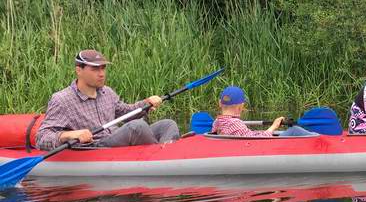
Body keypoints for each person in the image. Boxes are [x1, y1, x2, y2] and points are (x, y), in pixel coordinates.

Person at [35, 49, 180, 150]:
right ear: (79, 70)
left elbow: (126, 113)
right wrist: (71, 134)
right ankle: (159, 156)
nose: (101, 74)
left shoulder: (107, 92)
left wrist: (146, 103)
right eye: (95, 69)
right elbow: (42, 138)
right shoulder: (62, 100)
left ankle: (167, 153)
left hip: (115, 138)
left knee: (167, 124)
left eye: (103, 68)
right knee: (137, 127)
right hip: (96, 147)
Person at [211, 86, 313, 137]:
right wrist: (274, 126)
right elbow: (255, 140)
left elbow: (248, 135)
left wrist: (264, 131)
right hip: (260, 148)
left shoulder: (217, 122)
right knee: (294, 130)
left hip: (245, 146)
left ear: (220, 103)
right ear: (241, 107)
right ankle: (321, 140)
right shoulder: (235, 123)